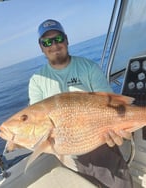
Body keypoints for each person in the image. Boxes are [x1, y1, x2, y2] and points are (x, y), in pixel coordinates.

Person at [28, 19, 133, 188]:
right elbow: (36, 121)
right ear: (41, 47)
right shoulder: (36, 81)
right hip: (69, 155)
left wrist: (121, 129)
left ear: (67, 40)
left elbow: (112, 103)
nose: (54, 45)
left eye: (58, 39)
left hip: (102, 144)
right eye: (47, 42)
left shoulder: (88, 68)